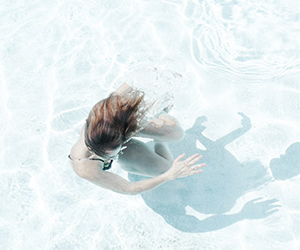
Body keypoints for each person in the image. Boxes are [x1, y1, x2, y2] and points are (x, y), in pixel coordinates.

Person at [69, 82, 205, 195]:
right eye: (109, 156)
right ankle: (159, 140)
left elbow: (130, 84)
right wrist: (168, 176)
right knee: (165, 168)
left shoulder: (108, 111)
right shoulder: (85, 168)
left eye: (115, 151)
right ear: (90, 149)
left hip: (121, 128)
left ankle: (159, 113)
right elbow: (129, 188)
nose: (113, 156)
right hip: (117, 134)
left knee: (176, 134)